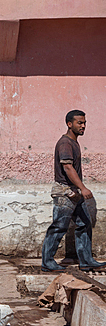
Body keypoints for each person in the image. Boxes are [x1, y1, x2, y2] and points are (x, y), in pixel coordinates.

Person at [40, 110, 105, 272]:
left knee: (84, 224)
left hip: (74, 192)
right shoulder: (65, 143)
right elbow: (67, 167)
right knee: (59, 227)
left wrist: (79, 189)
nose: (83, 126)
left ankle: (86, 261)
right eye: (79, 123)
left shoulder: (73, 142)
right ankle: (47, 262)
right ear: (69, 124)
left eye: (84, 123)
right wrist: (83, 188)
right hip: (65, 192)